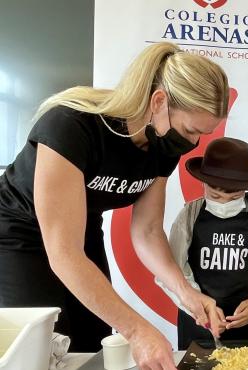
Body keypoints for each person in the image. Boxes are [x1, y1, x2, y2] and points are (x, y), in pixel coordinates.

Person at [0, 42, 230, 370]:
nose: (192, 144)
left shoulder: (164, 145)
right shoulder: (71, 126)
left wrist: (186, 292)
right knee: (39, 346)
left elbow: (148, 231)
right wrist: (138, 331)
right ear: (159, 101)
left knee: (93, 338)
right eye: (191, 130)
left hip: (82, 229)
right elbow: (64, 254)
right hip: (18, 232)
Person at [160, 137, 248, 350]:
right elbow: (173, 269)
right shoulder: (190, 214)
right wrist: (197, 304)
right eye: (215, 195)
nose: (224, 203)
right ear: (203, 183)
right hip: (196, 319)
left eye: (234, 198)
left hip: (242, 319)